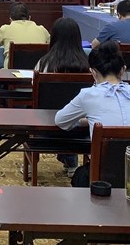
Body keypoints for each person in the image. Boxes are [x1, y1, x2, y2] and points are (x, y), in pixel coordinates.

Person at [55, 41, 130, 187]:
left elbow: (61, 121)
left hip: (105, 177)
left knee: (80, 176)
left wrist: (84, 120)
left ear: (93, 72)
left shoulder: (88, 95)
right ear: (123, 70)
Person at [34, 17, 89, 174]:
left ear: (54, 37)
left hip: (46, 126)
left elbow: (34, 91)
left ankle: (33, 165)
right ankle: (71, 162)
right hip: (81, 127)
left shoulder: (43, 64)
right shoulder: (88, 65)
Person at [0, 1, 50, 68]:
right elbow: (53, 47)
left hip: (12, 73)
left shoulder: (5, 29)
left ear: (10, 19)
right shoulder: (42, 30)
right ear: (29, 18)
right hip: (37, 72)